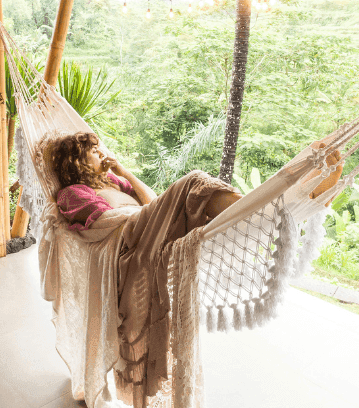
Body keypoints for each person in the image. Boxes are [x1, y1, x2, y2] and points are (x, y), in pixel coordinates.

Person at [48, 131, 242, 407]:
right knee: (192, 182)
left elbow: (151, 201)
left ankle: (243, 212)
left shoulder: (113, 182)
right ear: (76, 161)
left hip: (145, 232)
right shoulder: (72, 193)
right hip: (128, 246)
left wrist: (123, 172)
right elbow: (108, 223)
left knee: (191, 192)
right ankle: (248, 211)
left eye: (99, 147)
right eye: (93, 150)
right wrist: (156, 217)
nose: (102, 152)